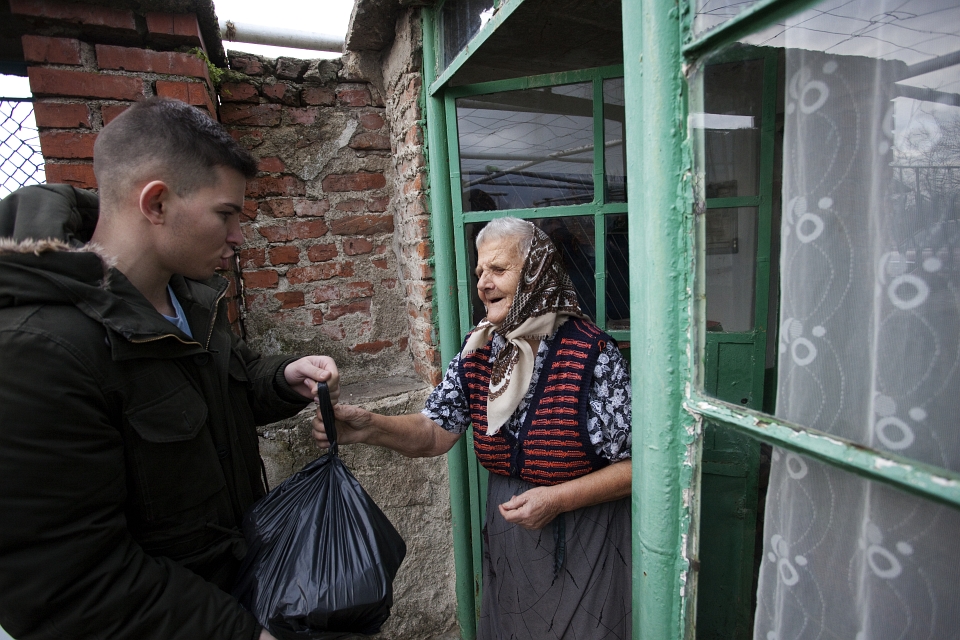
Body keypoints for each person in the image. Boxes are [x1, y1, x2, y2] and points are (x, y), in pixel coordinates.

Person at [0, 97, 339, 640]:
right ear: (156, 203)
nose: (238, 237)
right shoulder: (39, 351)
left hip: (243, 589)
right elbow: (73, 585)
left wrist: (281, 378)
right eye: (226, 215)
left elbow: (215, 389)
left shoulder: (187, 298)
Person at [313, 217, 632, 639]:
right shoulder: (480, 348)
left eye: (499, 270)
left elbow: (635, 467)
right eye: (480, 271)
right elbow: (434, 432)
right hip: (510, 531)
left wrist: (557, 499)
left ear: (538, 271)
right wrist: (368, 428)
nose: (484, 283)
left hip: (584, 532)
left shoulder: (591, 352)